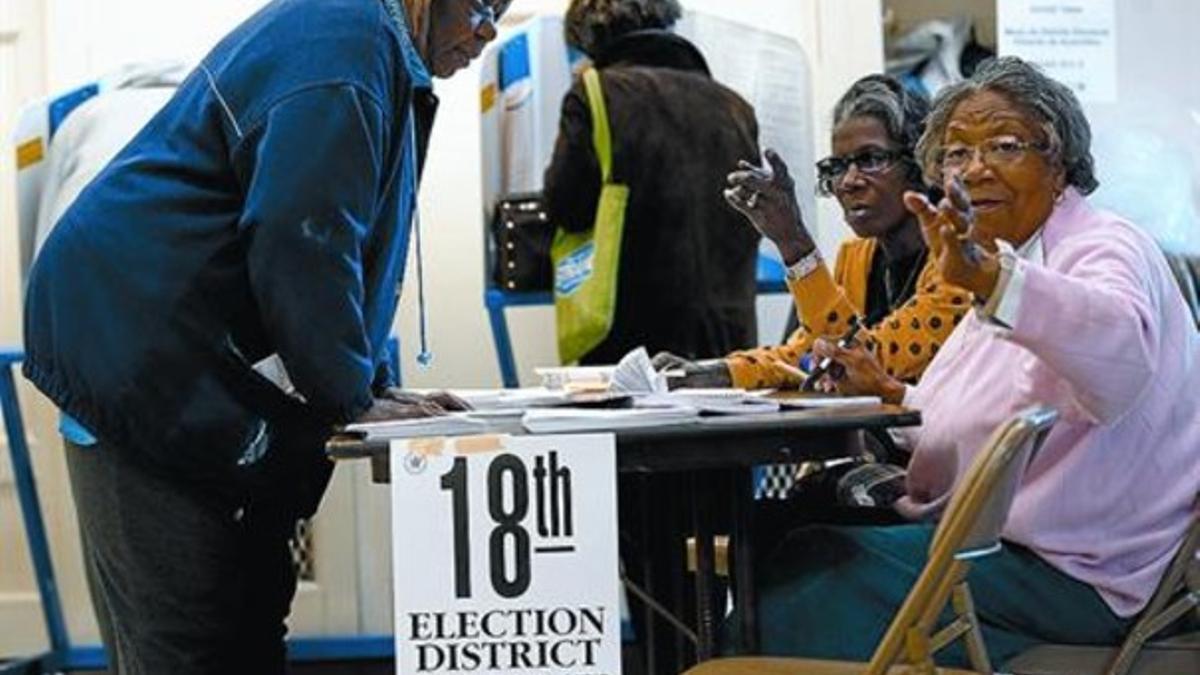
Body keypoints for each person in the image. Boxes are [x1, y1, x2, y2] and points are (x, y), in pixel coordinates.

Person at [22, 1, 504, 672]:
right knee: (186, 637)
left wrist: (364, 386)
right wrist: (350, 395)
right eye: (483, 4)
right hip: (135, 356)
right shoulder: (345, 47)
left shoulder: (372, 49)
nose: (489, 31)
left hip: (192, 356)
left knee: (248, 620)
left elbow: (332, 244)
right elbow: (302, 238)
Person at [756, 57, 1200, 666]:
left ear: (1060, 159)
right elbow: (979, 410)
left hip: (1085, 573)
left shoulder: (1100, 246)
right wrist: (891, 392)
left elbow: (1118, 359)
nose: (977, 168)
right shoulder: (1009, 259)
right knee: (790, 535)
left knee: (816, 566)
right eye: (956, 154)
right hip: (1024, 548)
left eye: (1005, 144)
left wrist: (995, 281)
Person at [654, 75, 972, 391]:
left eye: (871, 159)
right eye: (837, 166)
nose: (849, 181)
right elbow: (807, 353)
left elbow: (865, 360)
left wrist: (794, 242)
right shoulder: (856, 257)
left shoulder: (961, 258)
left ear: (920, 164)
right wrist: (717, 372)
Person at [544, 0, 761, 365]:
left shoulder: (595, 93)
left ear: (590, 36)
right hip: (729, 342)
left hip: (632, 343)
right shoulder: (735, 107)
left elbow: (567, 207)